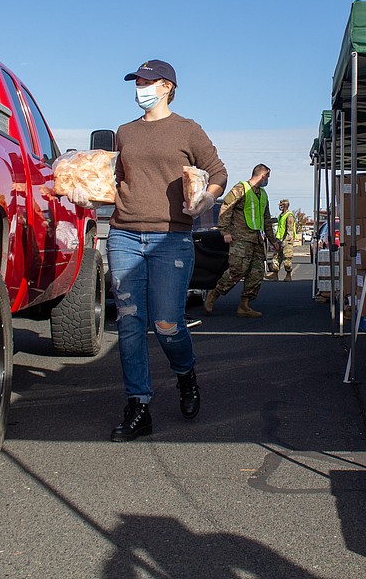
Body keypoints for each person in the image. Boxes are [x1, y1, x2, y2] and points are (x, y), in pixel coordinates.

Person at [107, 59, 227, 442]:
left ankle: (185, 373)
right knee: (128, 323)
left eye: (146, 80)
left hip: (170, 238)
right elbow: (118, 179)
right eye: (136, 81)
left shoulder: (188, 130)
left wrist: (207, 199)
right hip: (123, 234)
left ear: (166, 87)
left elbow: (219, 173)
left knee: (166, 323)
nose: (139, 86)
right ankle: (139, 404)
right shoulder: (124, 132)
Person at [205, 164, 280, 317]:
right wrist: (224, 231)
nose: (268, 181)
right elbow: (226, 208)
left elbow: (266, 219)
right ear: (263, 175)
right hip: (240, 238)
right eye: (268, 177)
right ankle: (214, 294)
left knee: (256, 273)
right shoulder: (240, 188)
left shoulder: (263, 194)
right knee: (237, 270)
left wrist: (273, 240)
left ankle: (244, 305)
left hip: (257, 240)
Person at [270, 199, 297, 281]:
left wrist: (286, 241)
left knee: (287, 258)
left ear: (286, 205)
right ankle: (275, 274)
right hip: (279, 239)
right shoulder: (280, 215)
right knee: (276, 257)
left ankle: (288, 275)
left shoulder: (289, 216)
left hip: (286, 241)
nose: (280, 206)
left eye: (282, 205)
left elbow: (290, 230)